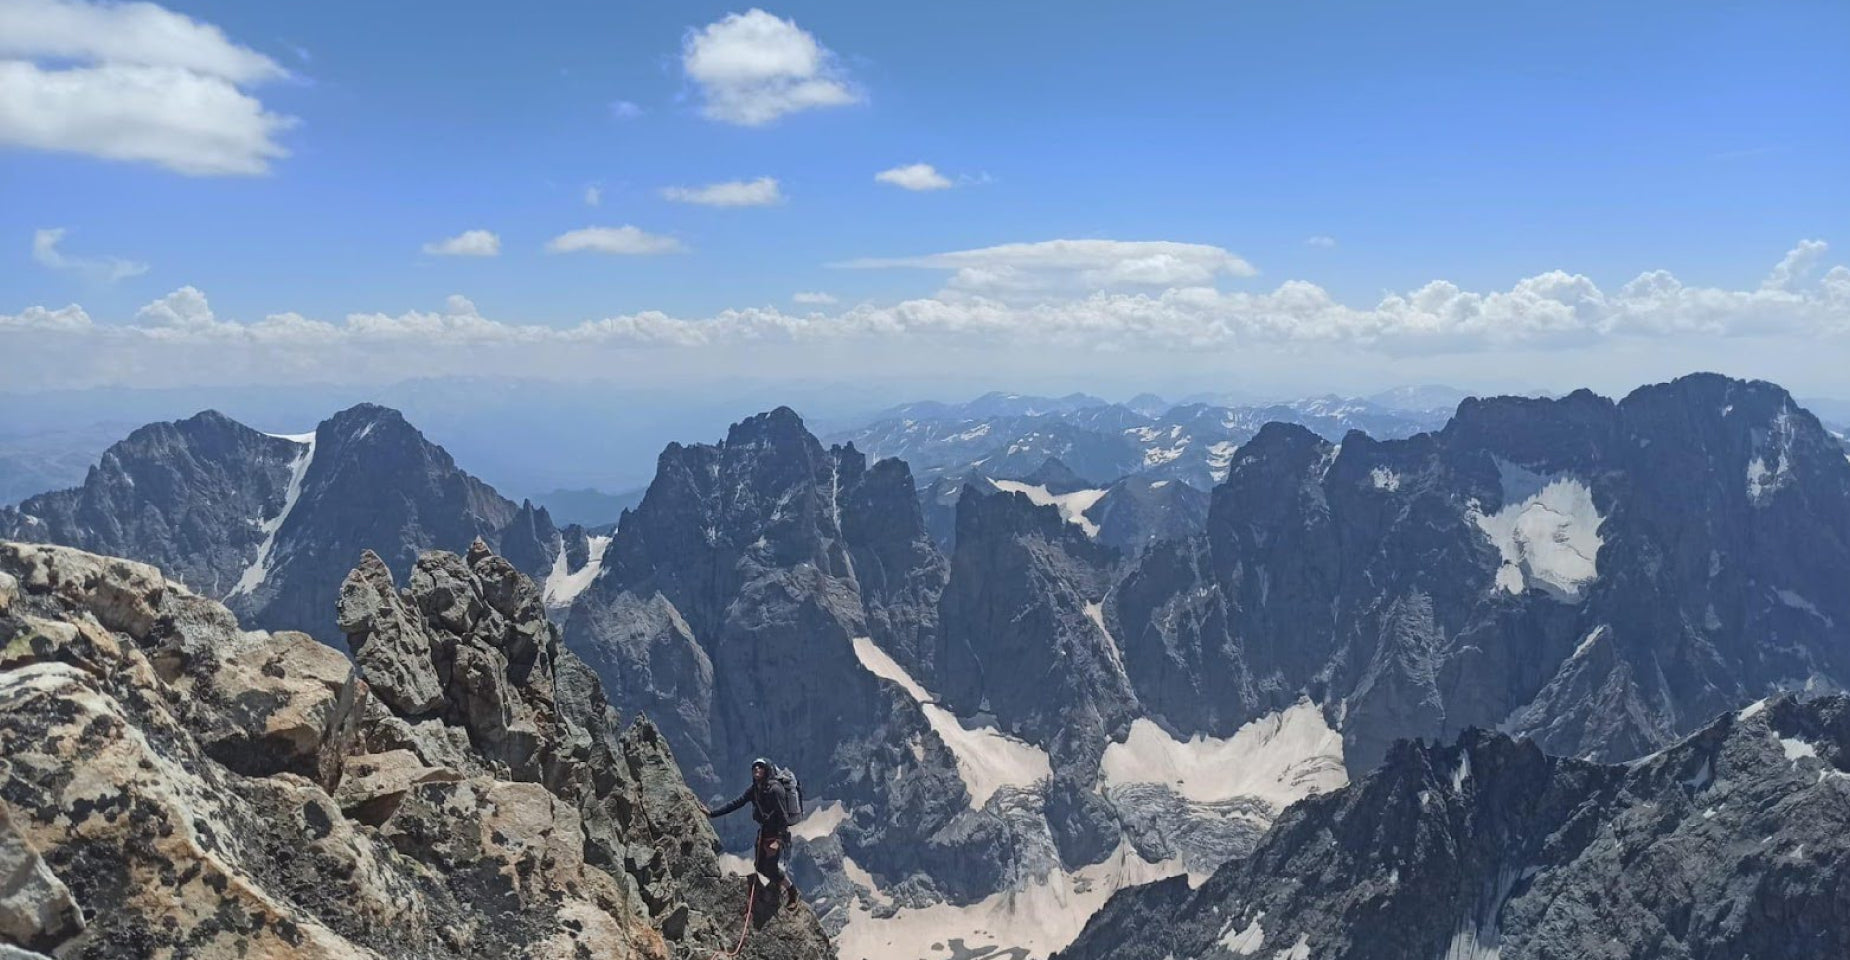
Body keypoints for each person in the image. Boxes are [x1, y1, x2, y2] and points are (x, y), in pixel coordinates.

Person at [703, 758, 800, 907]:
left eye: (760, 767)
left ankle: (791, 891)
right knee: (760, 866)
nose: (756, 769)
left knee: (770, 868)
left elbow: (783, 818)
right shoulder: (756, 789)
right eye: (754, 767)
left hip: (774, 835)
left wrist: (778, 841)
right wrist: (712, 813)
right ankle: (778, 887)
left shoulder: (775, 790)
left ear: (766, 770)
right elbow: (737, 802)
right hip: (764, 833)